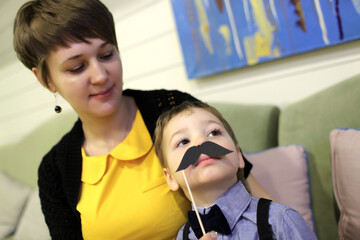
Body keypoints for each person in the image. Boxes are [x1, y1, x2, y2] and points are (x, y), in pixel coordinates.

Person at [13, 0, 271, 239]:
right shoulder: (54, 171)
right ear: (46, 80)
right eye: (77, 67)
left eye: (106, 55)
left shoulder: (172, 108)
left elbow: (251, 190)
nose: (101, 75)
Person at [154, 101, 317, 240]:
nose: (200, 142)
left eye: (213, 132)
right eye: (183, 142)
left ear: (239, 156)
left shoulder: (280, 220)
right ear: (170, 178)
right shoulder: (182, 236)